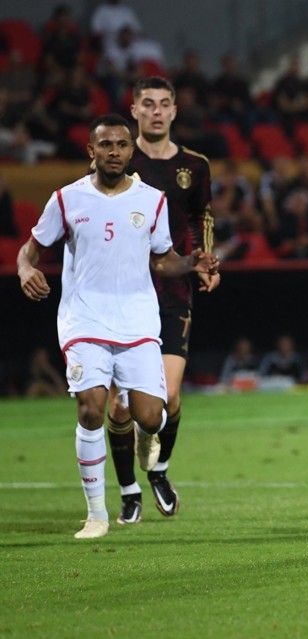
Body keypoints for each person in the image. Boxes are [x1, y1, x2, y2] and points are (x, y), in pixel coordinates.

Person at [16, 113, 217, 539]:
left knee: (150, 417)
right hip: (85, 319)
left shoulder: (152, 200)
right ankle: (96, 514)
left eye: (122, 145)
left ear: (131, 151)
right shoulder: (67, 199)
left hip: (138, 322)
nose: (114, 152)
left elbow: (162, 259)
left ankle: (147, 440)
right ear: (91, 151)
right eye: (105, 145)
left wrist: (191, 262)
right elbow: (30, 250)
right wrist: (22, 270)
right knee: (91, 407)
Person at [106, 77, 218, 526]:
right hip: (123, 295)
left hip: (173, 292)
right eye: (147, 104)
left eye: (164, 104)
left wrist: (205, 261)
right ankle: (127, 489)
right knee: (119, 406)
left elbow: (202, 216)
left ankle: (158, 470)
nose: (155, 111)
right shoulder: (117, 162)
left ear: (174, 112)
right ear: (134, 110)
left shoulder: (195, 165)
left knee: (168, 396)